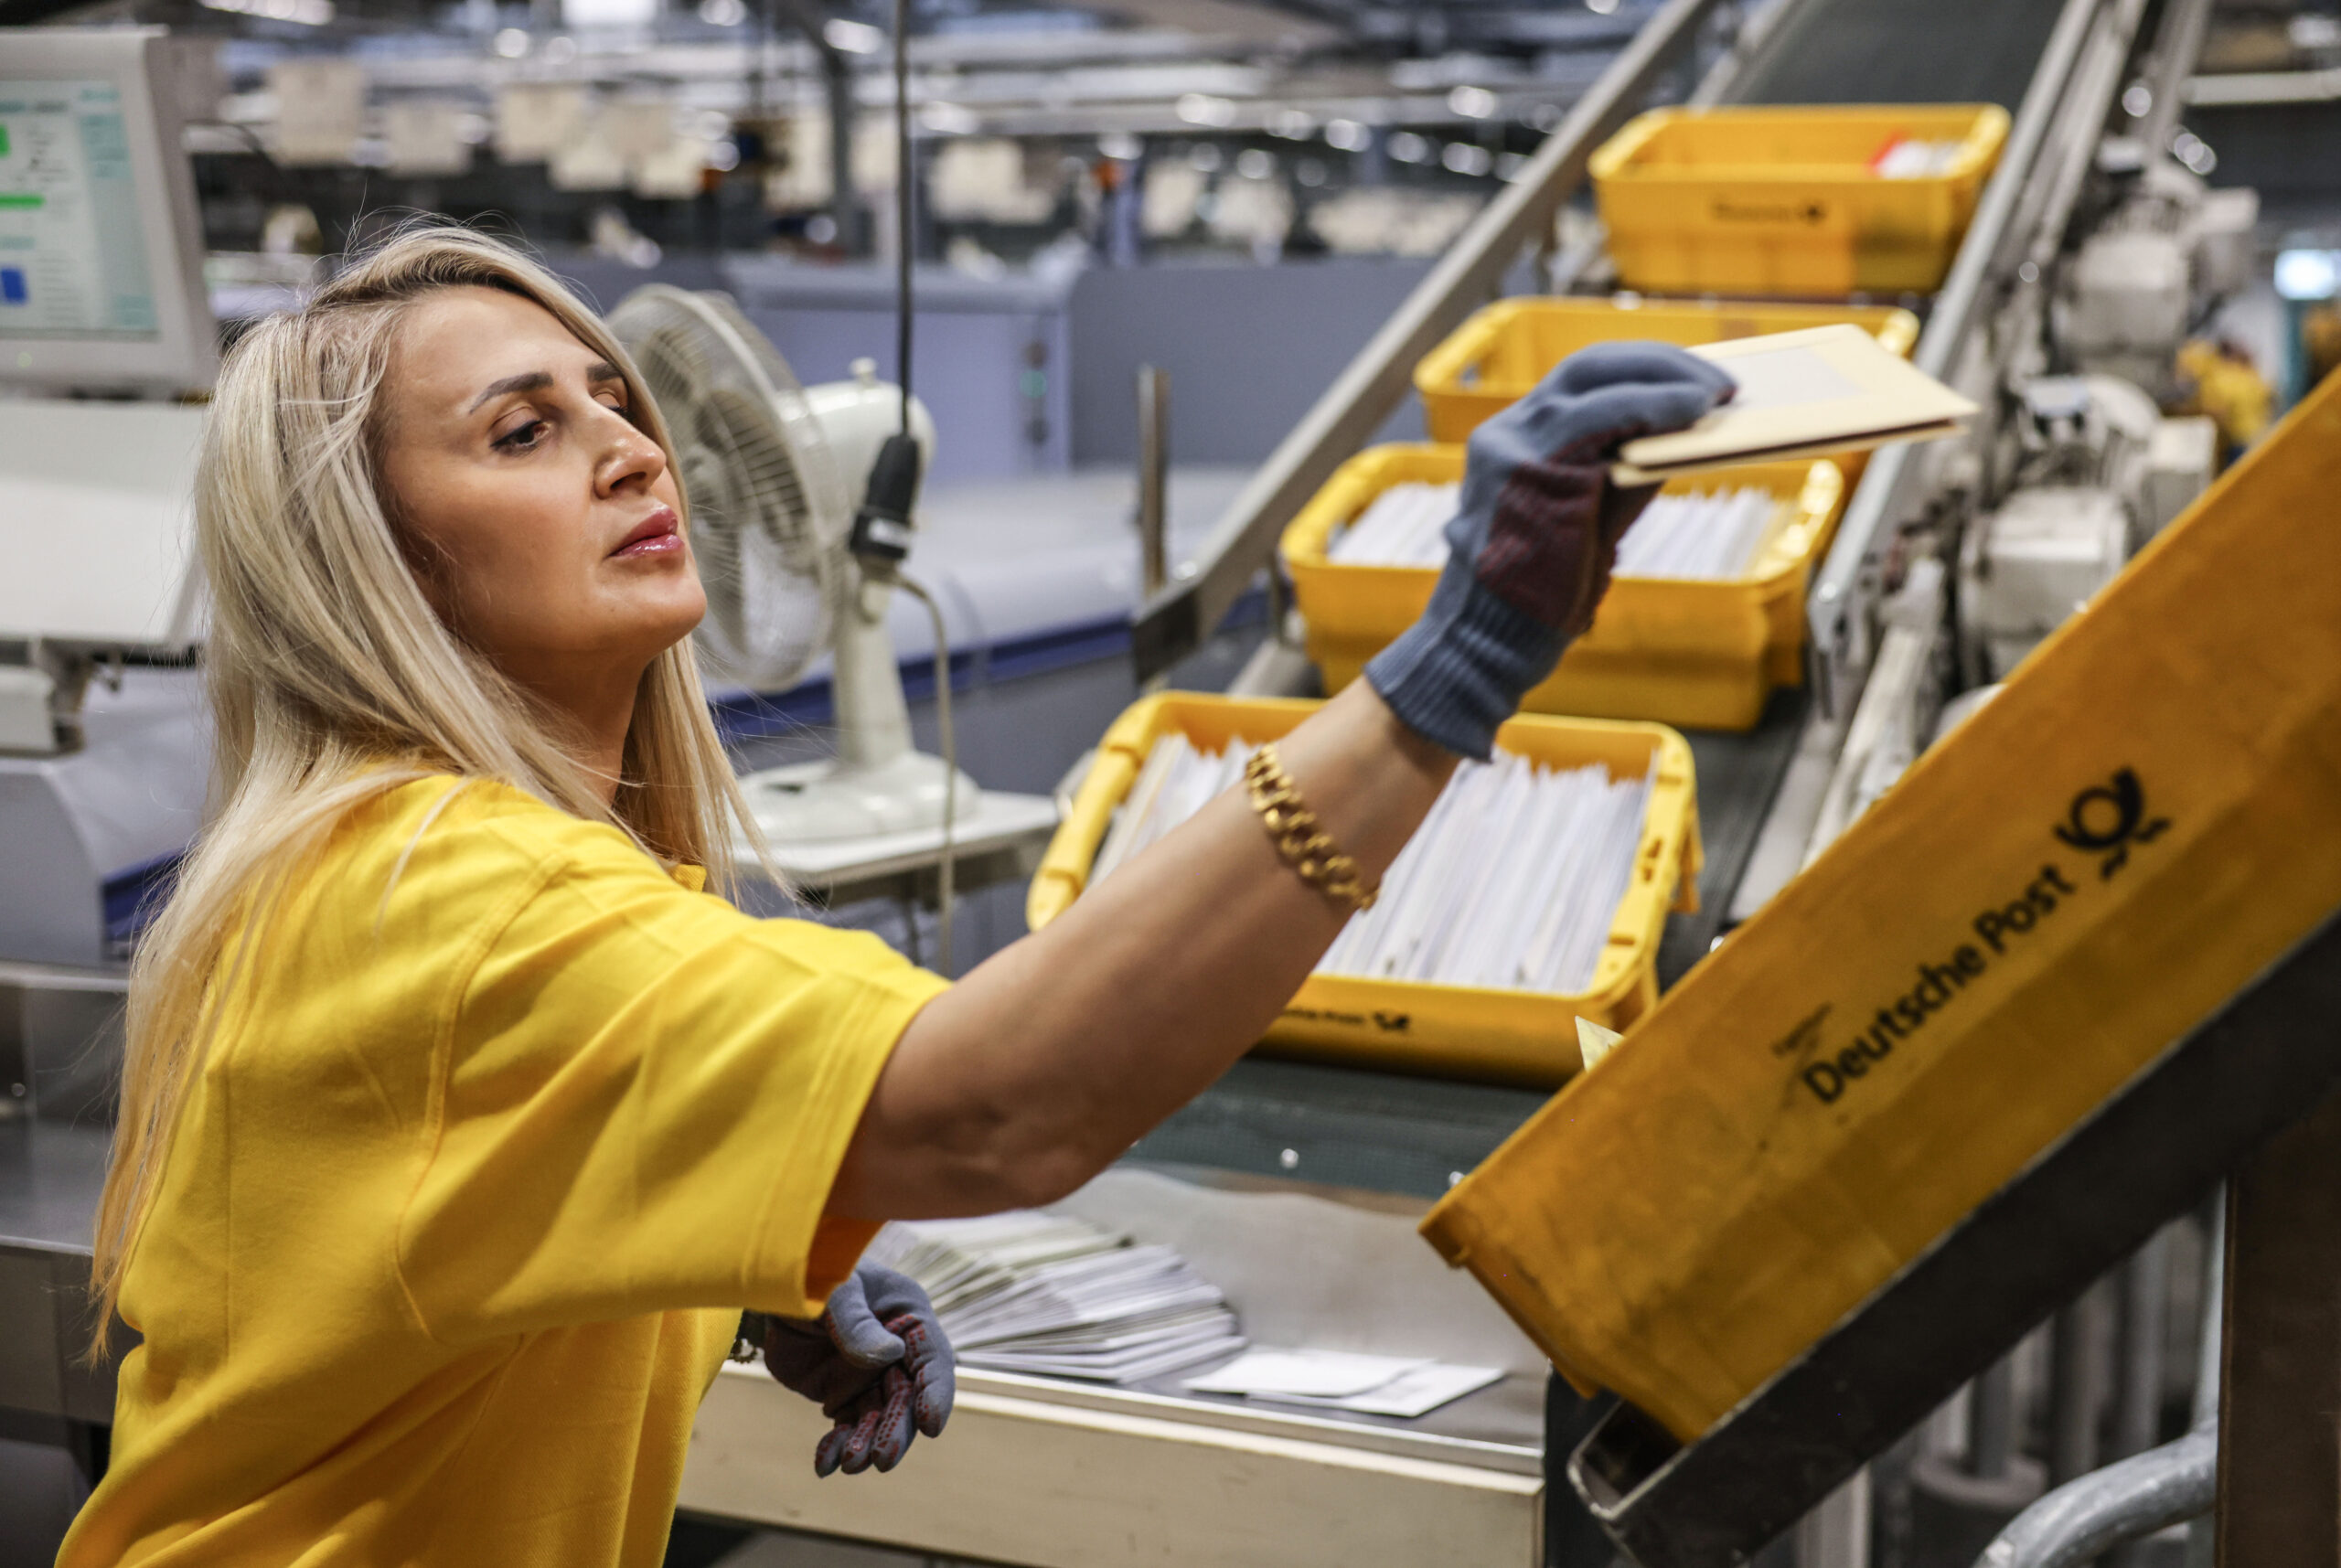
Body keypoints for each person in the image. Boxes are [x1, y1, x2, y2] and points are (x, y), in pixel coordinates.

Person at [56, 225, 1730, 1567]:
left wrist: (730, 1277)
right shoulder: (443, 893)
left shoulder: (404, 858)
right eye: (523, 431)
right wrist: (1451, 675)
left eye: (614, 399)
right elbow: (1005, 1107)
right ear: (385, 563)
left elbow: (433, 1239)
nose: (634, 452)